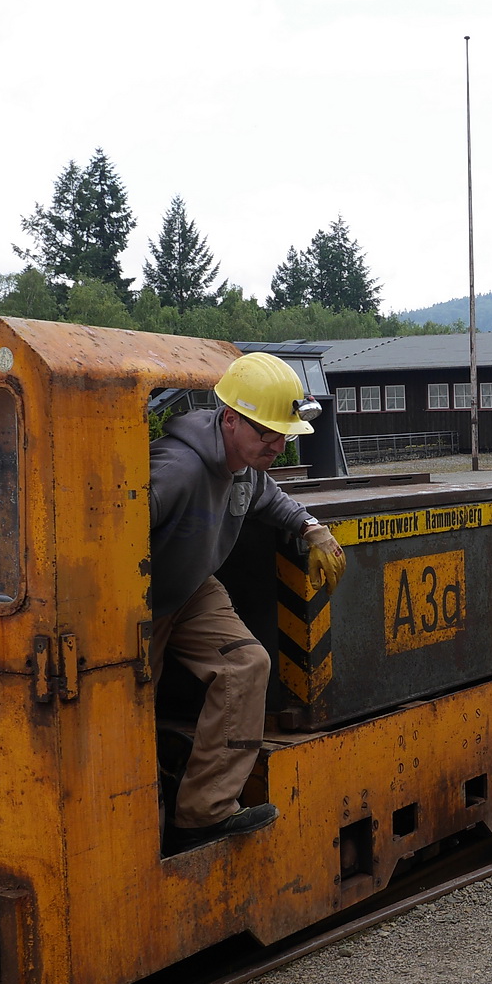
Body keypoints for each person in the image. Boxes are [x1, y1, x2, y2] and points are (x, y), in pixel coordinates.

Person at [149, 353, 346, 855]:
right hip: (139, 599)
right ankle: (136, 822)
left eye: (285, 436)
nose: (277, 446)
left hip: (192, 586)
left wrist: (310, 527)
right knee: (125, 705)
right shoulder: (177, 469)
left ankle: (202, 814)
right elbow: (111, 527)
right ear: (230, 418)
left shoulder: (245, 464)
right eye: (267, 434)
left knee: (245, 665)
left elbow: (268, 497)